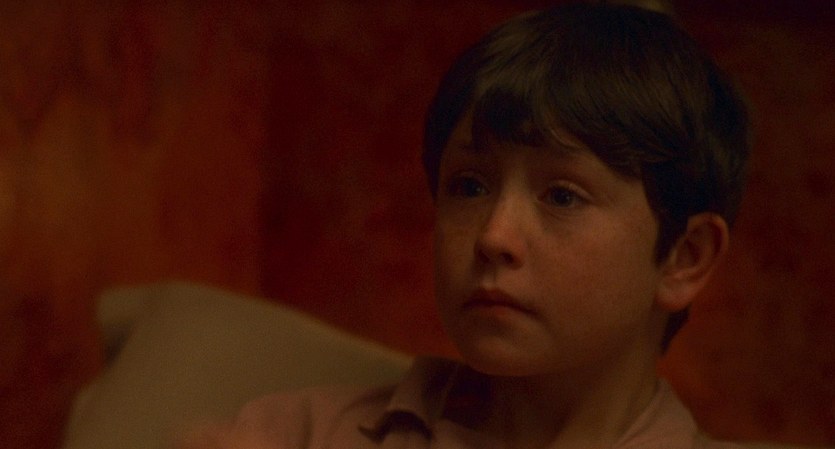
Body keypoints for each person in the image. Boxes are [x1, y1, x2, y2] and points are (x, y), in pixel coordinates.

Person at [180, 2, 750, 448]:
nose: (493, 236)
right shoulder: (290, 434)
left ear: (685, 257)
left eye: (562, 196)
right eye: (470, 186)